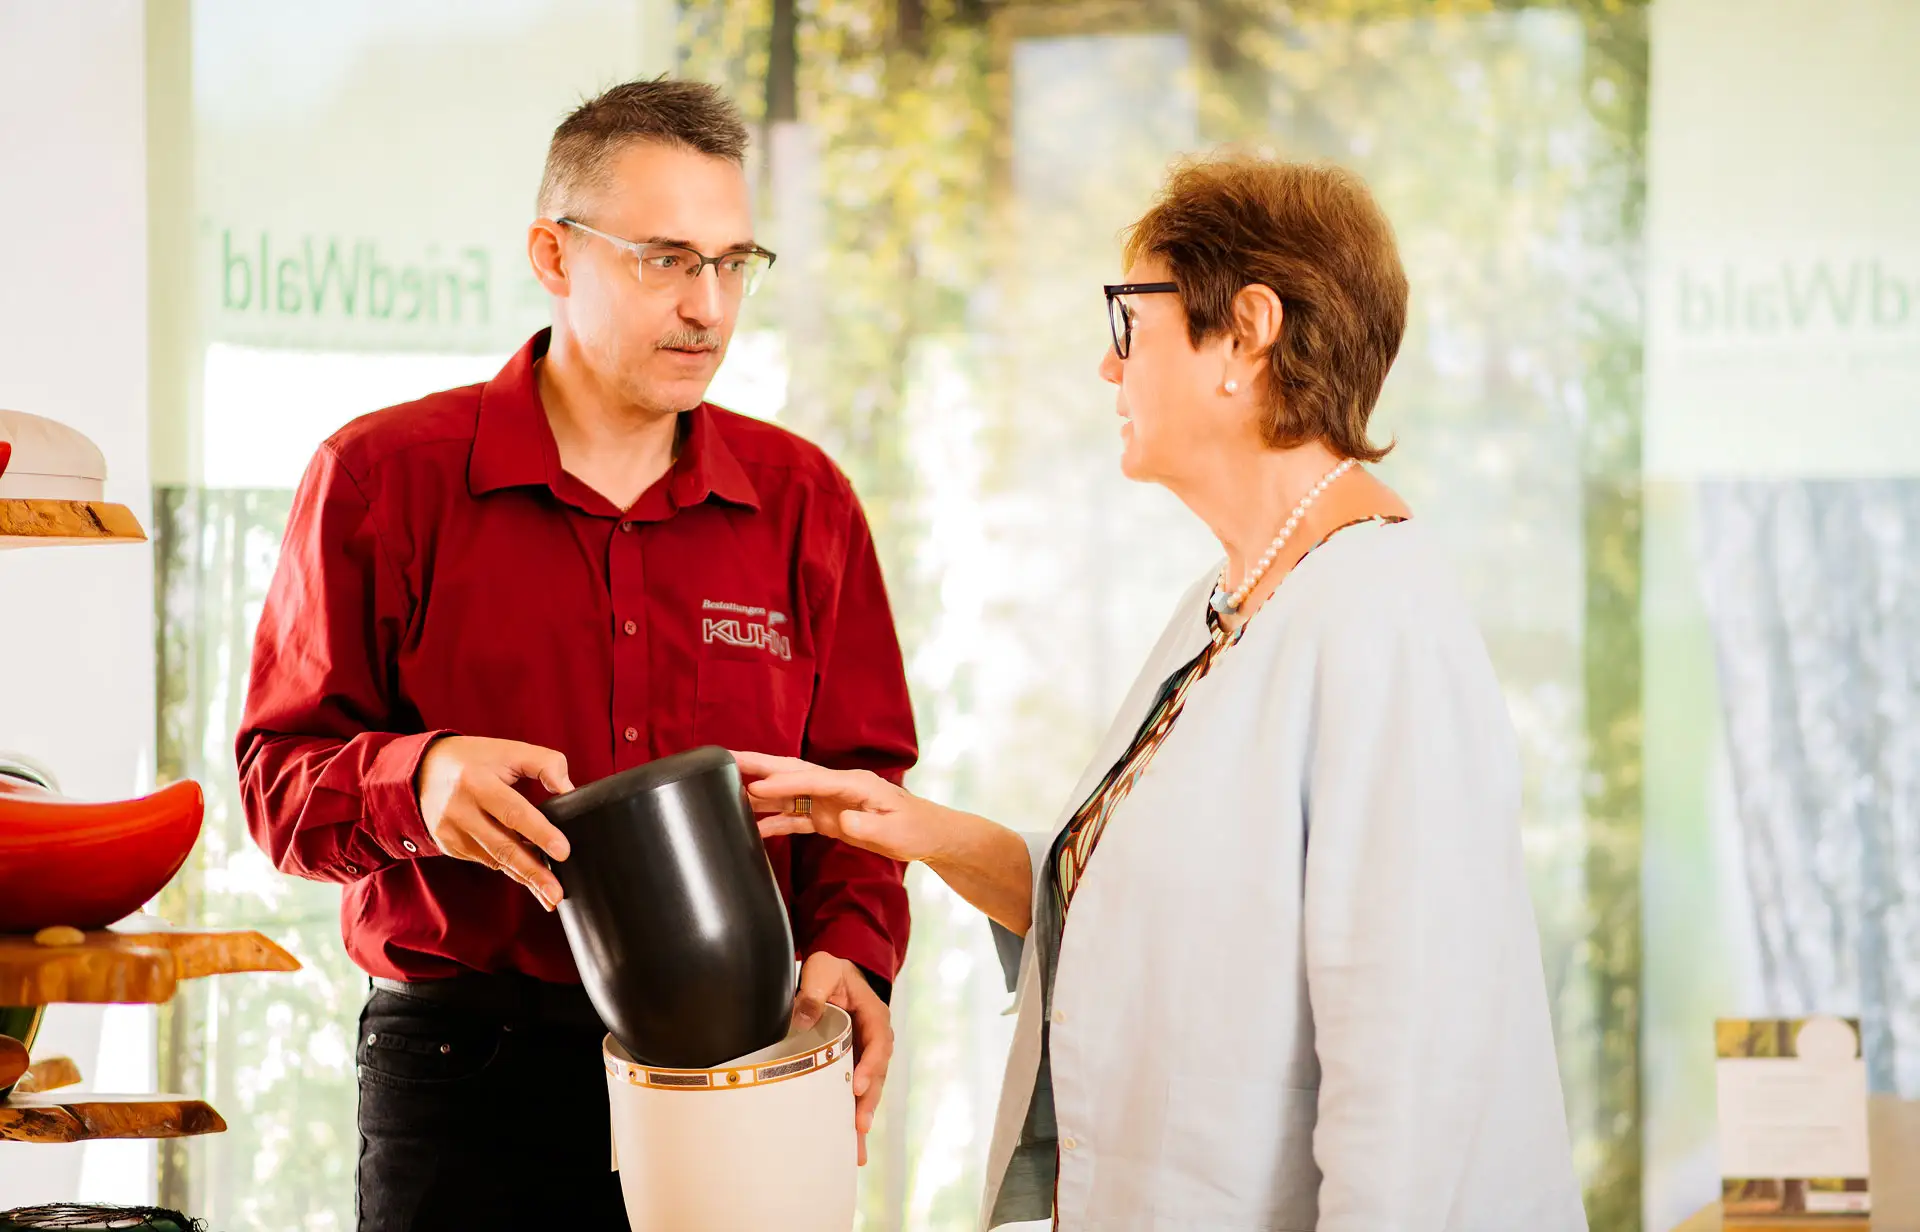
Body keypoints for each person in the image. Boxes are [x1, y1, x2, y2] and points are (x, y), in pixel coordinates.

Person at [737, 155, 1588, 1230]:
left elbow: (1412, 1081)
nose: (1109, 364)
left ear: (1246, 333)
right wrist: (913, 827)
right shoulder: (1231, 600)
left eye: (1131, 321)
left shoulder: (1381, 622)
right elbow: (1145, 915)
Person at [235, 79, 916, 1230]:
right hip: (466, 1074)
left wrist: (854, 949)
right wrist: (420, 776)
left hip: (741, 1072)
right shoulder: (380, 479)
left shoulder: (807, 502)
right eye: (666, 260)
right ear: (553, 255)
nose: (708, 306)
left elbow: (861, 786)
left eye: (733, 263)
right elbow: (276, 784)